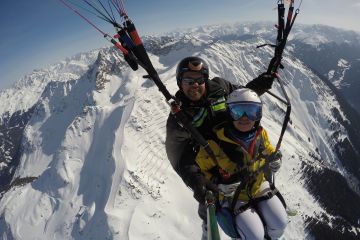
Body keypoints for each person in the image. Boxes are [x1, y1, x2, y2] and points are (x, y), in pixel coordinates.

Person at [165, 56, 275, 236]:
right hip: (211, 167)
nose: (195, 85)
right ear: (180, 82)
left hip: (237, 149)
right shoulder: (179, 119)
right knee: (209, 205)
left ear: (206, 79)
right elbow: (178, 156)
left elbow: (241, 96)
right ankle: (208, 227)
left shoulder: (220, 87)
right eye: (189, 80)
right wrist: (197, 181)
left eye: (200, 80)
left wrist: (263, 83)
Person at [194, 88, 287, 239]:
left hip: (258, 185)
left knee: (280, 224)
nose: (245, 118)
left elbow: (269, 150)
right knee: (254, 236)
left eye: (251, 111)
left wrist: (276, 157)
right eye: (238, 111)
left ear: (258, 115)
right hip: (232, 197)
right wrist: (217, 185)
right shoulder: (214, 144)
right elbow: (200, 173)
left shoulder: (260, 135)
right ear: (229, 113)